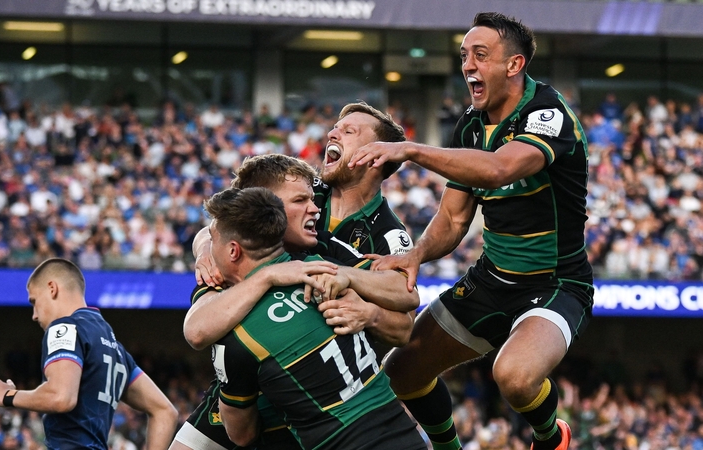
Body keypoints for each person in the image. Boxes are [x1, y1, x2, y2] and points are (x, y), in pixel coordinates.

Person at [348, 12, 594, 450]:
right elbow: (454, 220)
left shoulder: (548, 114)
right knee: (401, 374)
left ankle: (551, 436)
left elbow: (500, 169)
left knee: (514, 378)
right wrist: (416, 254)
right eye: (464, 56)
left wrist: (412, 148)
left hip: (555, 284)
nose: (468, 67)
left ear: (513, 65)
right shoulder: (470, 126)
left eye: (480, 56)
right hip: (490, 280)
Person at [172, 154, 419, 450]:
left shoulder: (322, 255)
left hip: (311, 417)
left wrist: (368, 311)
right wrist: (262, 273)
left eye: (312, 199)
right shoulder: (220, 259)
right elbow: (198, 329)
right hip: (255, 397)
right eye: (300, 200)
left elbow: (405, 314)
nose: (315, 209)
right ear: (263, 203)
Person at [0, 258, 178, 450]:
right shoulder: (115, 347)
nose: (34, 314)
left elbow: (61, 397)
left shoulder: (65, 327)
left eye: (34, 301)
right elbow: (165, 412)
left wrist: (7, 396)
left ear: (52, 288)